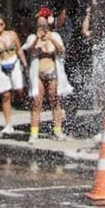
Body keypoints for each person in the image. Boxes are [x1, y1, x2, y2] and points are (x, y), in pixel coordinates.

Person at [23, 13, 71, 143]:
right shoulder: (32, 37)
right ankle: (34, 133)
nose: (42, 27)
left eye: (44, 24)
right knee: (36, 103)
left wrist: (51, 39)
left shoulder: (55, 36)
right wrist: (36, 40)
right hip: (37, 74)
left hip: (52, 73)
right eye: (39, 24)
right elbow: (29, 51)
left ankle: (58, 131)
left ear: (48, 24)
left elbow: (61, 51)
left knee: (55, 101)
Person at [0, 14, 25, 136]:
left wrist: (26, 65)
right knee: (5, 95)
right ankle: (8, 123)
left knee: (20, 89)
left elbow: (19, 50)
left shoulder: (12, 34)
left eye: (1, 24)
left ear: (4, 24)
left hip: (14, 62)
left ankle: (21, 103)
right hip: (1, 65)